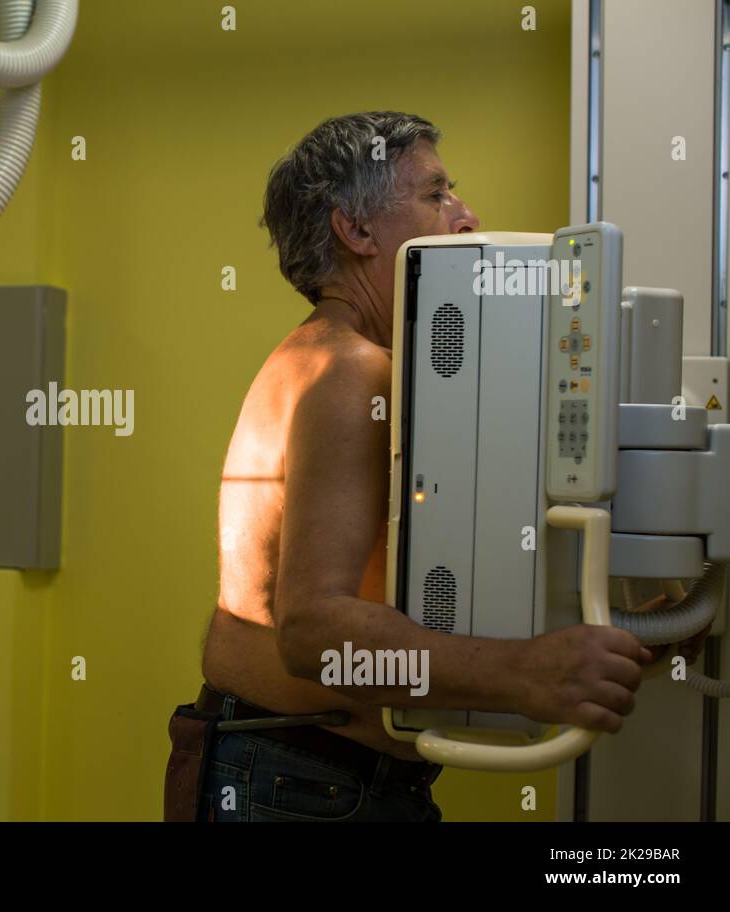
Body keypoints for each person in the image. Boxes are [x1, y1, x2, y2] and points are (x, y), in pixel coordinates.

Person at [164, 111, 671, 823]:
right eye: (436, 195)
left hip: (313, 774)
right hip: (295, 782)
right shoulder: (349, 373)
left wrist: (616, 639)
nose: (466, 218)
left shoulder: (353, 363)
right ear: (358, 231)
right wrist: (521, 674)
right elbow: (313, 633)